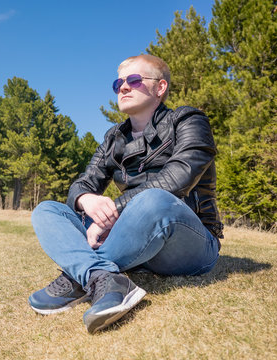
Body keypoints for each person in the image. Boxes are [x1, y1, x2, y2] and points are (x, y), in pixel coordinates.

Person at [28, 54, 224, 334]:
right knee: (47, 210)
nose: (123, 87)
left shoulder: (189, 120)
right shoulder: (113, 138)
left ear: (160, 88)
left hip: (190, 240)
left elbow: (177, 179)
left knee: (154, 199)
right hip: (134, 239)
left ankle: (78, 274)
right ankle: (101, 277)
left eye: (134, 80)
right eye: (118, 82)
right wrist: (88, 199)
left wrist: (113, 212)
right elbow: (82, 184)